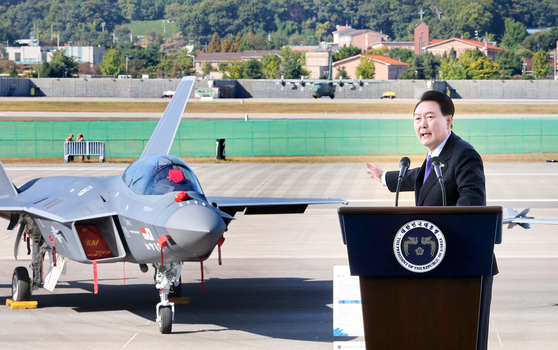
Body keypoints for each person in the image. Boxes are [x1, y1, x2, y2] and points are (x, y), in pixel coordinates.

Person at [366, 90, 493, 350]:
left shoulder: (464, 154)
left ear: (449, 121)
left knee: (461, 338)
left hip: (463, 267)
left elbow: (472, 205)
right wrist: (385, 177)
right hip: (435, 266)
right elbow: (419, 178)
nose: (422, 124)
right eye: (416, 118)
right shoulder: (433, 157)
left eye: (429, 117)